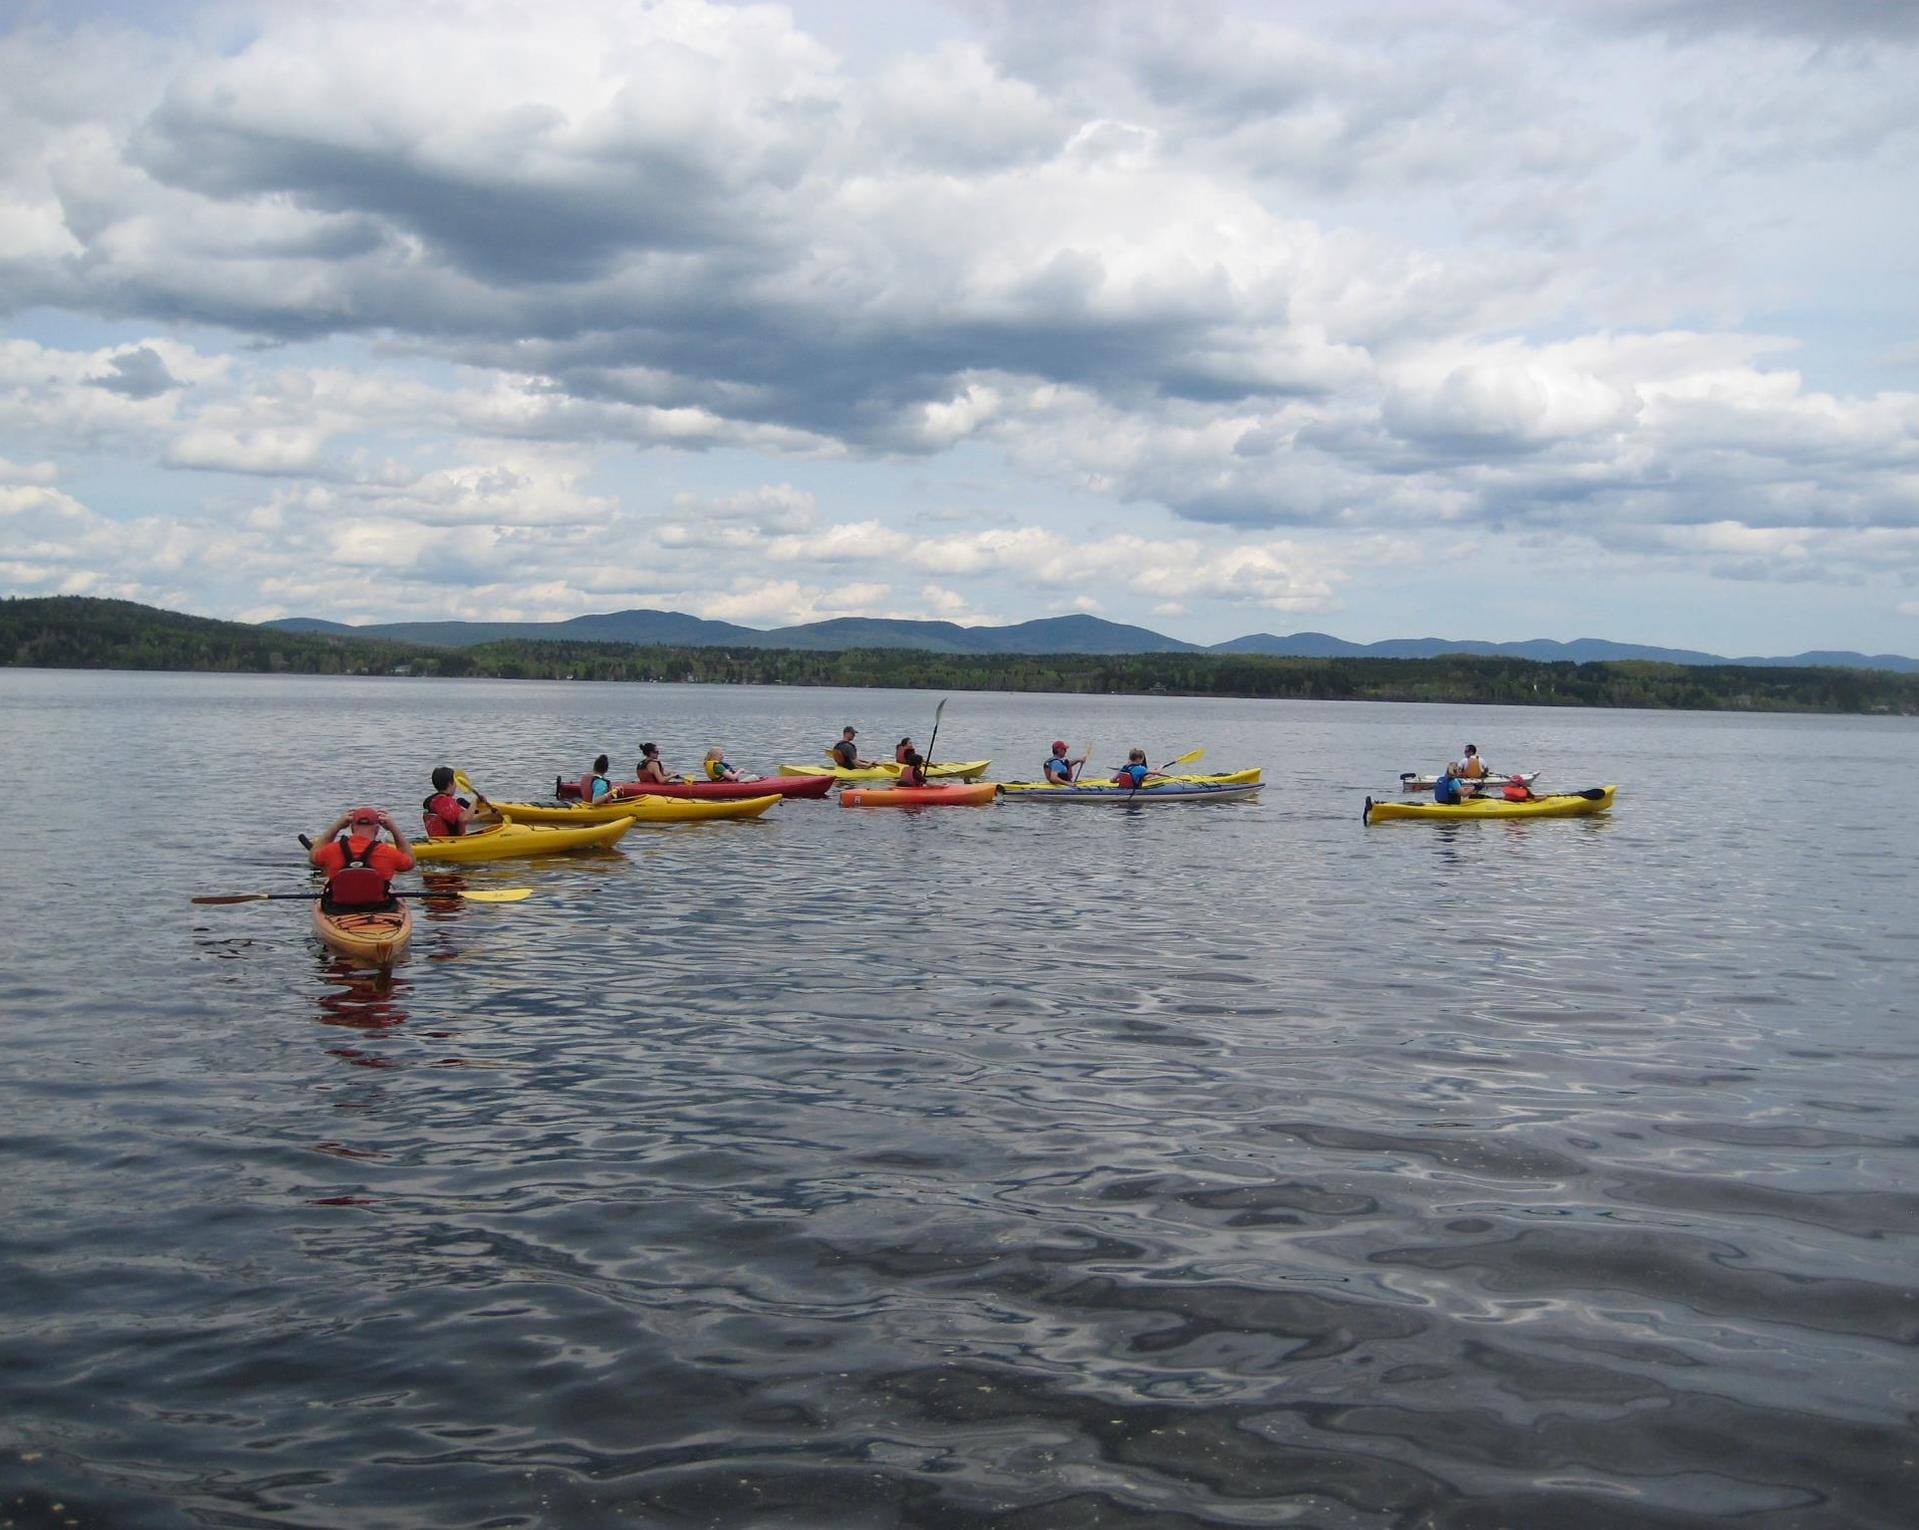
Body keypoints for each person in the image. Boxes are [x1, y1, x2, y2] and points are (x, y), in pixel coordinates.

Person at [310, 806, 415, 908]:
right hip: (378, 906)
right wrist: (394, 829)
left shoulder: (332, 849)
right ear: (377, 829)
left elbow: (313, 857)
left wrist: (337, 826)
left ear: (351, 828)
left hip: (339, 907)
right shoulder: (388, 852)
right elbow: (410, 864)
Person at [421, 766, 490, 837]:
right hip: (452, 841)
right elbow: (464, 819)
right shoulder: (444, 801)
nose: (456, 785)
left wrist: (487, 813)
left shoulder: (434, 800)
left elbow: (468, 817)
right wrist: (474, 801)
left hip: (442, 841)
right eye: (455, 782)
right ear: (450, 783)